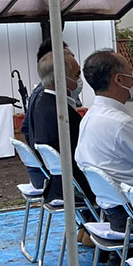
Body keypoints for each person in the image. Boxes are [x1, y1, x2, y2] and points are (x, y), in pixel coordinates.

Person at [74, 50, 133, 233]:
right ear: (119, 80)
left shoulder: (90, 117)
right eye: (130, 72)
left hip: (115, 210)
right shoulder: (121, 123)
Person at [25, 51, 94, 205]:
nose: (79, 80)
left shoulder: (42, 104)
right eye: (77, 75)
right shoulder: (60, 113)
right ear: (61, 78)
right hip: (77, 187)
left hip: (57, 184)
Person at [21, 39, 72, 190]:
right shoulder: (49, 101)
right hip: (54, 179)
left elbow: (25, 128)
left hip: (43, 173)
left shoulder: (39, 95)